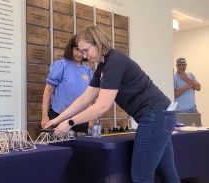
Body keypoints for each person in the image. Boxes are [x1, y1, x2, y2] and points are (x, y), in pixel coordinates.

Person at [45, 25, 180, 183]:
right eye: (81, 51)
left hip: (155, 115)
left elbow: (101, 106)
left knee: (141, 175)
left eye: (85, 50)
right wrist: (58, 119)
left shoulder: (114, 62)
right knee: (167, 173)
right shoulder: (103, 67)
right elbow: (85, 98)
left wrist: (70, 122)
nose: (84, 55)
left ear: (97, 43)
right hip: (162, 114)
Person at [41, 34, 93, 133]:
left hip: (81, 119)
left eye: (82, 51)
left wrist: (90, 121)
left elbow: (89, 98)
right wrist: (44, 116)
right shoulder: (61, 65)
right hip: (58, 116)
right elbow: (48, 91)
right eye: (77, 49)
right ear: (71, 49)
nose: (79, 54)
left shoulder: (88, 71)